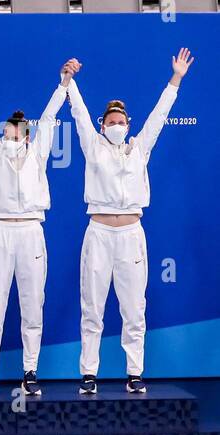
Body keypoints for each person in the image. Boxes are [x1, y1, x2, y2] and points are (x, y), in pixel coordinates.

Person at [66, 48, 193, 395]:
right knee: (92, 306)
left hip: (132, 234)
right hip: (99, 233)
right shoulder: (93, 147)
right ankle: (89, 373)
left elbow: (159, 114)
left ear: (129, 125)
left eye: (122, 122)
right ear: (102, 125)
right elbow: (77, 113)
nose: (117, 126)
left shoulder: (140, 148)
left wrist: (176, 79)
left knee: (134, 307)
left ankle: (134, 372)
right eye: (112, 122)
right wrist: (70, 84)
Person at [0, 59, 71, 398]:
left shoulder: (38, 155)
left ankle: (30, 371)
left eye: (15, 134)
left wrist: (63, 84)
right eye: (5, 133)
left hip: (31, 232)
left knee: (32, 303)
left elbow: (51, 119)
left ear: (27, 137)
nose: (8, 137)